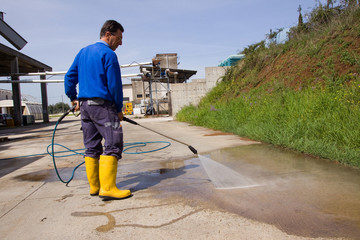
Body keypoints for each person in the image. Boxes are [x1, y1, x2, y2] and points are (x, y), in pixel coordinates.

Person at [64, 20, 131, 200]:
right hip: (103, 107)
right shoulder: (108, 54)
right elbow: (115, 85)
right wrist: (118, 109)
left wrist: (73, 98)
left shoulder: (83, 52)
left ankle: (95, 187)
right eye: (119, 37)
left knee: (92, 146)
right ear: (108, 34)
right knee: (113, 142)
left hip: (85, 108)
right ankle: (108, 188)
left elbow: (69, 77)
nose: (121, 43)